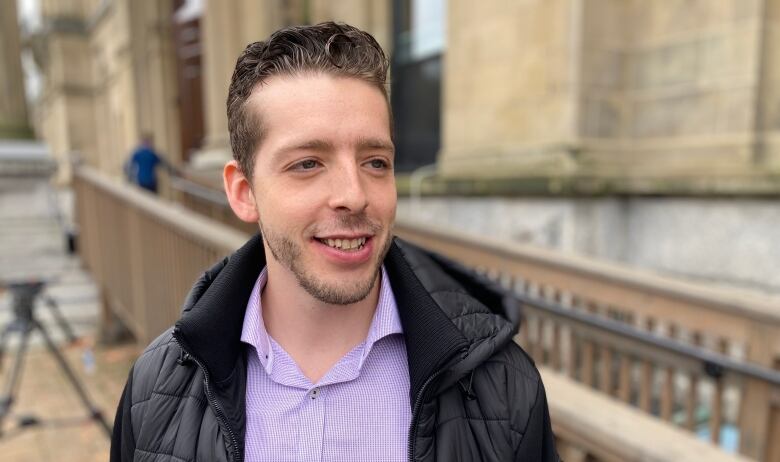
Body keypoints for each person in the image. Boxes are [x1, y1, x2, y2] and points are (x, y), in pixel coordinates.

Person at [110, 22, 558, 462]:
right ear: (244, 193)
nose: (355, 195)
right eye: (308, 163)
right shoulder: (154, 391)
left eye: (376, 162)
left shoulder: (503, 389)